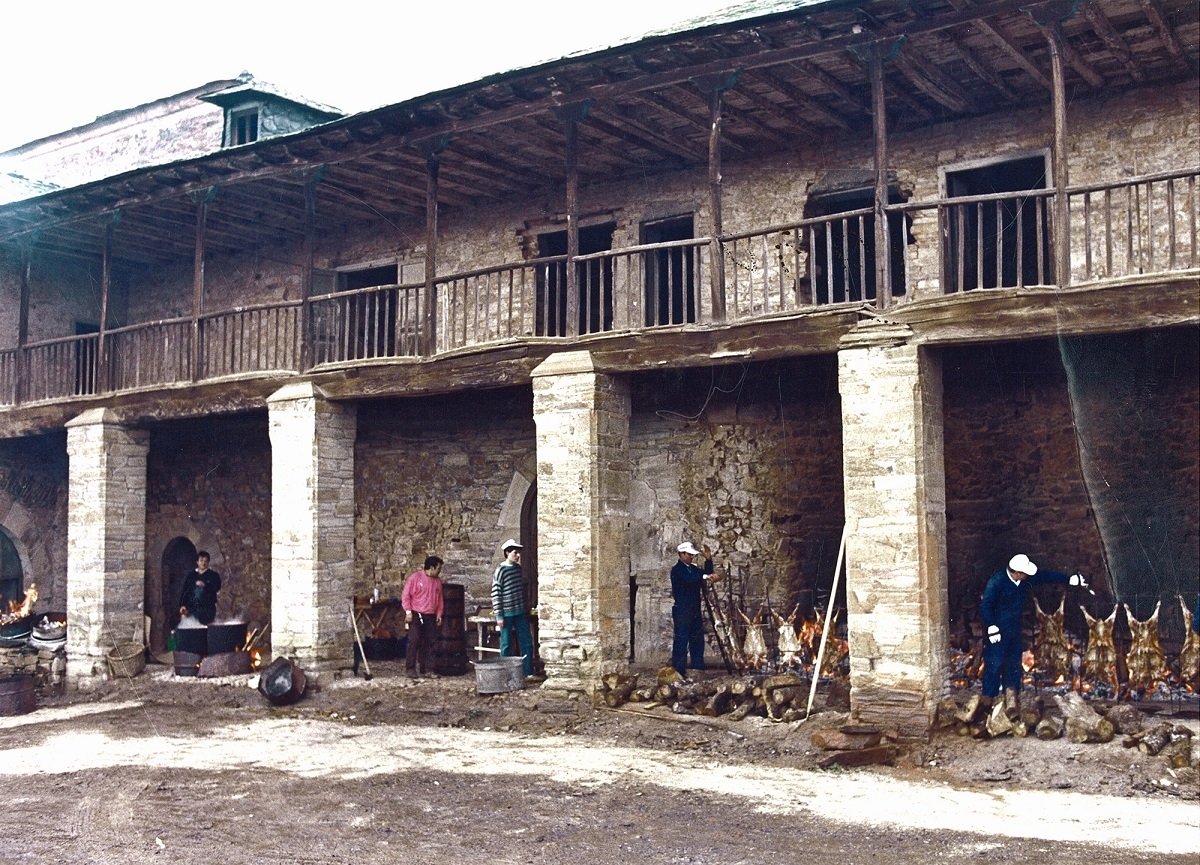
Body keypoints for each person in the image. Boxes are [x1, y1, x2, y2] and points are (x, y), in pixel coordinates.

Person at [980, 553, 1087, 707]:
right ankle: (987, 702)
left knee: (1014, 665)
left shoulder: (1024, 579)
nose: (1027, 576)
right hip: (997, 630)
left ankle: (1011, 702)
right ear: (1016, 573)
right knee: (994, 664)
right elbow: (985, 606)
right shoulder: (996, 582)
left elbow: (1044, 576)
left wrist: (1069, 579)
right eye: (1025, 574)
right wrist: (991, 626)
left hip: (1014, 629)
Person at [670, 541, 724, 677]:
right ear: (681, 554)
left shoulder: (693, 569)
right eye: (689, 554)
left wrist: (708, 560)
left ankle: (698, 670)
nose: (691, 557)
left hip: (694, 609)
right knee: (681, 641)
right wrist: (706, 576)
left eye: (692, 555)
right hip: (682, 610)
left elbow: (705, 573)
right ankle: (678, 671)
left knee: (697, 641)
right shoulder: (677, 570)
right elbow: (691, 578)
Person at [491, 539, 535, 678]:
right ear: (507, 553)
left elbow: (522, 590)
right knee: (506, 644)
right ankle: (505, 673)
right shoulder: (500, 571)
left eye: (518, 553)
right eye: (515, 553)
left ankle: (528, 671)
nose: (518, 556)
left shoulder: (518, 569)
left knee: (527, 642)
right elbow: (496, 594)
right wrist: (499, 615)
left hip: (520, 612)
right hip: (506, 614)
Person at [402, 555, 445, 679]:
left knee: (431, 642)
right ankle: (410, 668)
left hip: (430, 615)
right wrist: (408, 612)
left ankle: (427, 669)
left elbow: (439, 599)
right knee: (414, 640)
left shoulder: (437, 582)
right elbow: (406, 596)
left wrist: (439, 614)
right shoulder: (415, 578)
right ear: (431, 568)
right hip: (416, 614)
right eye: (438, 569)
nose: (439, 571)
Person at [178, 550, 222, 626]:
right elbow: (185, 591)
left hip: (207, 610)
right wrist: (183, 605)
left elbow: (217, 587)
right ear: (197, 562)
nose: (203, 563)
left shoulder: (213, 575)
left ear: (208, 562)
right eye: (201, 560)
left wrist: (205, 586)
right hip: (192, 609)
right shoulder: (191, 576)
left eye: (205, 561)